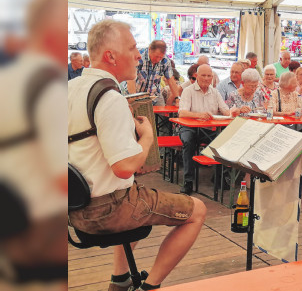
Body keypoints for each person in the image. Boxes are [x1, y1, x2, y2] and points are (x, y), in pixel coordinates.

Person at [68, 19, 207, 291]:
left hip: (74, 207)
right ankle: (150, 286)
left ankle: (120, 279)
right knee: (197, 211)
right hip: (108, 209)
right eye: (132, 48)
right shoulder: (110, 98)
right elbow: (124, 167)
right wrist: (147, 139)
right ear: (110, 55)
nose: (138, 55)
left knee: (138, 196)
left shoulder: (70, 88)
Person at [1, 0, 68, 288]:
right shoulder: (48, 85)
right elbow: (61, 180)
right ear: (54, 35)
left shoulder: (9, 77)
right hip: (36, 231)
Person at [179, 64, 230, 195]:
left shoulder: (215, 92)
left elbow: (225, 110)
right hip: (188, 128)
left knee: (222, 142)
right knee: (189, 142)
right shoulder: (188, 90)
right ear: (196, 76)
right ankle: (188, 181)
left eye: (209, 76)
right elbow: (182, 113)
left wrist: (233, 112)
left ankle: (219, 178)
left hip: (207, 128)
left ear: (213, 77)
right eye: (203, 75)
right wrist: (198, 115)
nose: (207, 78)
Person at [126, 40, 179, 106]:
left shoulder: (165, 60)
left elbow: (171, 81)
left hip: (155, 96)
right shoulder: (138, 57)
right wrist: (134, 99)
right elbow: (130, 80)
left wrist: (177, 98)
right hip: (136, 94)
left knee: (163, 114)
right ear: (150, 49)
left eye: (161, 57)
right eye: (156, 56)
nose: (158, 60)